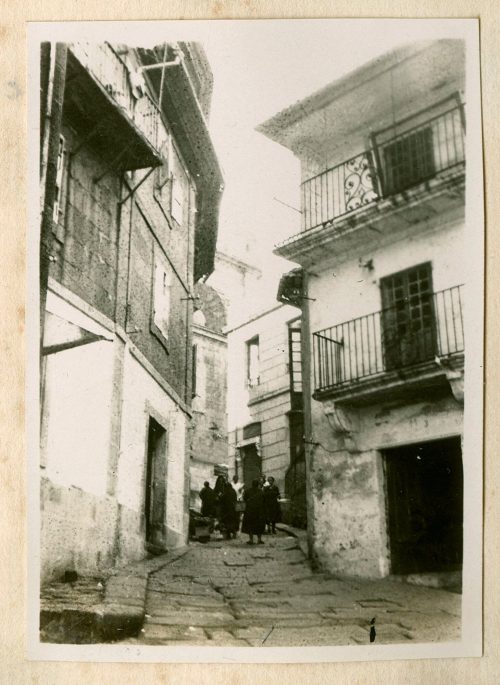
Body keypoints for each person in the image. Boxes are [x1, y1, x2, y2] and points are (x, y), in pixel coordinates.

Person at [241, 478, 266, 545]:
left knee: (250, 525)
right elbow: (264, 501)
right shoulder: (261, 492)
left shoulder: (247, 491)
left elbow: (245, 499)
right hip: (259, 511)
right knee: (259, 525)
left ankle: (251, 540)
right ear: (258, 484)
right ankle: (259, 539)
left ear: (252, 484)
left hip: (250, 510)